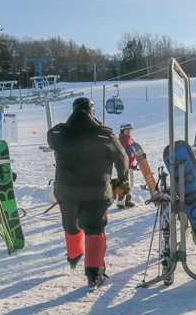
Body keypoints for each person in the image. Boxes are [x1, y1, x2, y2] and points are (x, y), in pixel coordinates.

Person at [47, 97, 129, 291]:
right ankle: (94, 275)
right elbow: (122, 160)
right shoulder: (105, 134)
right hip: (97, 190)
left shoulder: (57, 132)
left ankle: (74, 255)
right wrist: (121, 185)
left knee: (70, 224)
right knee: (95, 228)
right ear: (92, 112)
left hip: (67, 190)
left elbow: (52, 142)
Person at [117, 122, 137, 209]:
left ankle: (128, 200)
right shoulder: (119, 141)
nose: (129, 132)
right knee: (124, 183)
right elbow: (119, 153)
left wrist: (141, 155)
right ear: (122, 131)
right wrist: (127, 151)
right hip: (123, 166)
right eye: (127, 130)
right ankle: (120, 203)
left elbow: (137, 149)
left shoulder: (131, 140)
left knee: (131, 183)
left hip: (131, 165)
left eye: (130, 130)